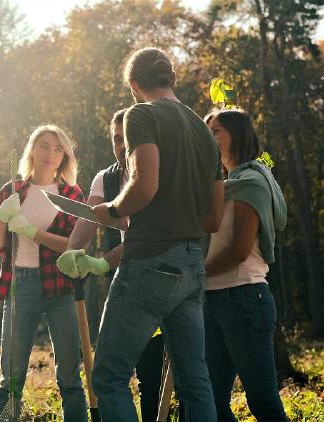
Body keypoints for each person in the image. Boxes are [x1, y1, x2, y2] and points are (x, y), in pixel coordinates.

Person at [86, 47, 225, 422]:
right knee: (196, 380)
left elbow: (144, 186)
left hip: (150, 261)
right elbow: (214, 218)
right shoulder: (204, 130)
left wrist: (112, 210)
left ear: (133, 85)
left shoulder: (140, 114)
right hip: (193, 263)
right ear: (172, 79)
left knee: (109, 378)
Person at [60, 108, 173, 422]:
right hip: (131, 282)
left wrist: (101, 263)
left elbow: (145, 235)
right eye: (116, 140)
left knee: (158, 374)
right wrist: (72, 251)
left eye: (127, 138)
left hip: (167, 277)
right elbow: (90, 217)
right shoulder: (107, 178)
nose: (122, 146)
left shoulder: (159, 174)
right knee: (125, 370)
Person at [0, 124, 88, 421]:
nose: (50, 153)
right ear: (32, 150)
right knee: (12, 376)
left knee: (70, 374)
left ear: (64, 157)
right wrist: (3, 220)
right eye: (44, 145)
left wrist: (30, 231)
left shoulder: (71, 194)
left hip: (61, 289)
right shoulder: (12, 191)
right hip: (21, 286)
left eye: (58, 148)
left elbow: (73, 245)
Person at [203, 109, 289, 421]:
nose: (209, 139)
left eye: (216, 131)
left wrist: (194, 275)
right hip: (212, 299)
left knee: (262, 402)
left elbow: (238, 250)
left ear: (237, 134)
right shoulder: (223, 185)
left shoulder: (250, 181)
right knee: (210, 402)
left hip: (243, 299)